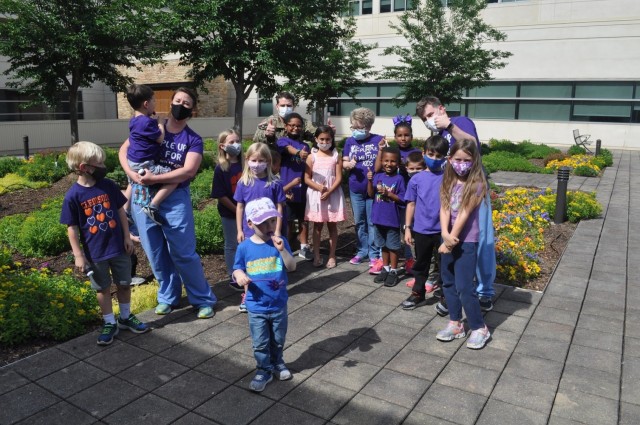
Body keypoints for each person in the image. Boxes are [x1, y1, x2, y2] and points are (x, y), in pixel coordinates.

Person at [118, 87, 217, 319]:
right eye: (177, 100)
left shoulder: (192, 139)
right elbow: (124, 150)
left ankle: (202, 299)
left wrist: (155, 178)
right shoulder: (150, 124)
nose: (180, 105)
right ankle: (167, 297)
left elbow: (188, 171)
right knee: (155, 252)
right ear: (170, 102)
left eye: (186, 103)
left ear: (193, 109)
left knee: (183, 253)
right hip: (143, 196)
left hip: (174, 201)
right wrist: (131, 175)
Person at [61, 141, 149, 346]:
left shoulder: (107, 185)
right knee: (103, 288)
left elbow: (120, 211)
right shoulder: (73, 196)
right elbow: (71, 228)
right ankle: (109, 323)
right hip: (95, 253)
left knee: (124, 283)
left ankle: (126, 317)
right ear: (84, 168)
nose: (103, 166)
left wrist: (127, 237)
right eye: (99, 162)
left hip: (118, 247)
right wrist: (78, 255)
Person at [416, 96, 496, 313]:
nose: (430, 120)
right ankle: (457, 294)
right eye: (425, 118)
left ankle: (485, 292)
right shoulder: (439, 135)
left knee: (482, 242)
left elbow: (474, 146)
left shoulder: (460, 122)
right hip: (453, 194)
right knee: (458, 241)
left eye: (431, 114)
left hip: (474, 192)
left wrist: (450, 126)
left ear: (441, 109)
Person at [232, 197, 296, 392]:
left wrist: (283, 251)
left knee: (278, 338)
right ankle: (263, 370)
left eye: (272, 221)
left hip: (278, 303)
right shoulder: (244, 247)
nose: (270, 226)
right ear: (250, 224)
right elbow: (236, 269)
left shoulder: (281, 242)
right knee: (260, 342)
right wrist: (240, 275)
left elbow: (292, 267)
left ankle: (278, 363)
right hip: (256, 305)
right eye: (263, 222)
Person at [437, 138, 491, 350]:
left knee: (464, 286)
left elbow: (465, 214)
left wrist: (450, 240)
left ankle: (479, 327)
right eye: (457, 159)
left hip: (466, 241)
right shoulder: (448, 181)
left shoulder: (477, 184)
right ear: (450, 159)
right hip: (448, 238)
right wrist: (444, 234)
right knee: (448, 282)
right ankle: (455, 322)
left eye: (466, 160)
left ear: (474, 161)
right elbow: (444, 208)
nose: (461, 164)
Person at [234, 143, 286, 312]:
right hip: (250, 232)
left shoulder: (274, 182)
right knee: (250, 264)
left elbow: (279, 206)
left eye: (261, 160)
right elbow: (240, 207)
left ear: (268, 161)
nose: (257, 164)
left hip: (270, 231)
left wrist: (277, 230)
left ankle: (272, 290)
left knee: (269, 263)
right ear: (247, 160)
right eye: (253, 160)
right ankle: (248, 295)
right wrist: (240, 230)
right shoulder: (243, 182)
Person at [401, 136, 449, 310]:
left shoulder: (449, 177)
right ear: (424, 153)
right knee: (421, 263)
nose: (435, 159)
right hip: (421, 230)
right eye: (431, 154)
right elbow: (411, 204)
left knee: (445, 265)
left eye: (439, 156)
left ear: (446, 157)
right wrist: (407, 228)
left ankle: (446, 296)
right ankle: (418, 293)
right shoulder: (416, 179)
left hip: (443, 231)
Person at [373, 114, 421, 275]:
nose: (403, 138)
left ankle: (409, 259)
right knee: (389, 228)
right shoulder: (391, 152)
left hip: (409, 197)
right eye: (399, 135)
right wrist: (381, 151)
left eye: (406, 135)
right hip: (391, 198)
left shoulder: (415, 152)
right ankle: (383, 260)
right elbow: (378, 169)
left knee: (407, 228)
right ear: (395, 137)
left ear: (412, 136)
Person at [124, 84, 175, 225]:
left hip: (132, 161)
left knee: (132, 182)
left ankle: (125, 210)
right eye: (154, 101)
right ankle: (153, 205)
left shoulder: (134, 120)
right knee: (175, 176)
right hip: (145, 164)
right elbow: (160, 138)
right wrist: (160, 123)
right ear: (146, 104)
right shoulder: (147, 123)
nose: (155, 104)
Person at [342, 107, 384, 271]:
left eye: (358, 127)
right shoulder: (349, 141)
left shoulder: (378, 140)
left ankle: (374, 254)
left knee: (372, 222)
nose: (354, 130)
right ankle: (362, 251)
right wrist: (348, 165)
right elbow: (344, 162)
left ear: (368, 127)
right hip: (355, 188)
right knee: (359, 222)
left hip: (373, 189)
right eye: (353, 127)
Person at [304, 125, 345, 268]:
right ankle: (316, 255)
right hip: (316, 195)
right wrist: (320, 188)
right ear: (316, 139)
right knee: (317, 226)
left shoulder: (335, 156)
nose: (324, 142)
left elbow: (339, 177)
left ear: (332, 139)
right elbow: (307, 178)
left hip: (332, 194)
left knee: (332, 226)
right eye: (321, 139)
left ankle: (332, 256)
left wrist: (329, 191)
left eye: (327, 139)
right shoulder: (311, 156)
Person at [367, 147, 406, 287]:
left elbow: (403, 199)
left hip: (392, 220)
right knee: (383, 245)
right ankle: (386, 267)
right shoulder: (378, 176)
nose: (389, 164)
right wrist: (370, 181)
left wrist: (389, 194)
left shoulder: (399, 179)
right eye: (386, 160)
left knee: (393, 247)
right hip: (378, 218)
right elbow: (371, 195)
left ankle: (394, 271)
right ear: (381, 161)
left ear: (398, 162)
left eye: (393, 161)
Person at [276, 112, 313, 260]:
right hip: (288, 189)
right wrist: (298, 153)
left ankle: (304, 247)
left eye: (298, 126)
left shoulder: (305, 145)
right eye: (292, 125)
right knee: (288, 220)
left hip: (303, 189)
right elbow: (288, 150)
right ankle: (286, 248)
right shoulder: (282, 141)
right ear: (286, 126)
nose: (295, 128)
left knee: (302, 219)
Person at [211, 129, 243, 285]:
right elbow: (220, 194)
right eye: (231, 142)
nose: (236, 144)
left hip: (248, 213)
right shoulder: (221, 168)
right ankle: (233, 274)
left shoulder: (246, 165)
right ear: (222, 146)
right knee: (232, 244)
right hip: (229, 213)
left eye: (237, 141)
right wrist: (236, 209)